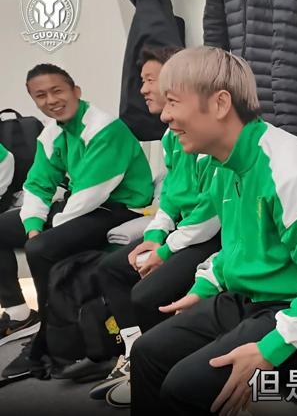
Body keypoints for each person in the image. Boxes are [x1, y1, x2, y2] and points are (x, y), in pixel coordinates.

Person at [130, 46, 297, 415]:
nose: (165, 115)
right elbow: (240, 245)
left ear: (220, 103)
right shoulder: (222, 164)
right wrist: (204, 287)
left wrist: (271, 349)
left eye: (173, 102)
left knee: (184, 386)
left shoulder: (290, 170)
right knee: (147, 351)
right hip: (251, 297)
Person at [0, 64, 153, 379]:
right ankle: (19, 312)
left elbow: (92, 193)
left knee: (42, 248)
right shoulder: (52, 133)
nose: (51, 100)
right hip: (81, 204)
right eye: (41, 95)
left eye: (57, 91)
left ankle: (49, 339)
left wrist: (48, 231)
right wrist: (33, 225)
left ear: (76, 91)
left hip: (120, 207)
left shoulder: (105, 128)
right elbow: (37, 184)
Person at [89, 46, 222, 407]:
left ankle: (156, 365)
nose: (144, 89)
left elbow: (210, 216)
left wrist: (165, 250)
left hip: (209, 236)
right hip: (182, 232)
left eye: (152, 80)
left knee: (145, 294)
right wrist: (153, 236)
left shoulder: (213, 140)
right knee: (110, 269)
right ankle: (134, 352)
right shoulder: (171, 137)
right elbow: (171, 199)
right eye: (143, 81)